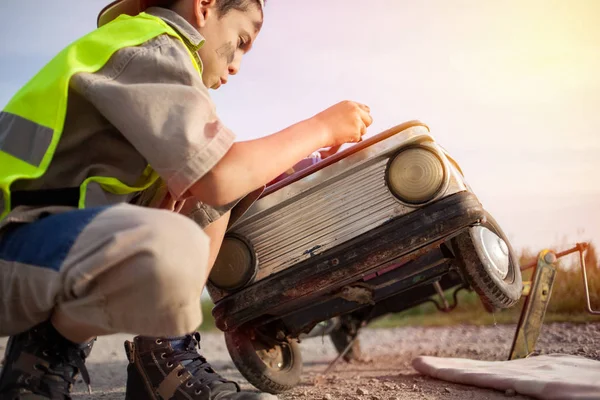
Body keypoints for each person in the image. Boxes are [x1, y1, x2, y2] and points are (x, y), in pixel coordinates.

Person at [0, 0, 373, 399]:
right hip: (14, 251)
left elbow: (215, 182)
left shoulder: (141, 54)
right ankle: (46, 353)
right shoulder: (153, 46)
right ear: (204, 5)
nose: (235, 67)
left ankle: (158, 364)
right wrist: (322, 128)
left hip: (31, 248)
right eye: (241, 40)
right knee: (178, 234)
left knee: (200, 198)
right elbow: (221, 175)